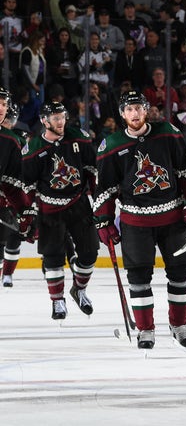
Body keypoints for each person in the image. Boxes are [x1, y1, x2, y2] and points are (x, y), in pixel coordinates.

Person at [93, 90, 186, 351]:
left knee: (181, 273)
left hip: (173, 217)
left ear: (147, 111)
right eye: (129, 109)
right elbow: (105, 189)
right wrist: (104, 221)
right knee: (139, 276)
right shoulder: (111, 145)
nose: (134, 113)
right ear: (122, 114)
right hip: (135, 222)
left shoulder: (167, 132)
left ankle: (179, 325)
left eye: (139, 108)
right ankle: (146, 330)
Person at [20, 102, 98, 319]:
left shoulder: (78, 138)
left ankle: (79, 289)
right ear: (44, 121)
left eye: (62, 117)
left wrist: (100, 199)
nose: (60, 122)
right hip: (50, 208)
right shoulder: (34, 148)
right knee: (52, 256)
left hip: (79, 204)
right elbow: (27, 185)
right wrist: (28, 214)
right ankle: (57, 301)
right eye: (55, 118)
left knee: (90, 253)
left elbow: (92, 169)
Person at [0, 88, 27, 288]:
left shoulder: (13, 141)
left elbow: (15, 182)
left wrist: (25, 210)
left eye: (3, 105)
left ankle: (7, 273)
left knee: (12, 237)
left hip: (5, 203)